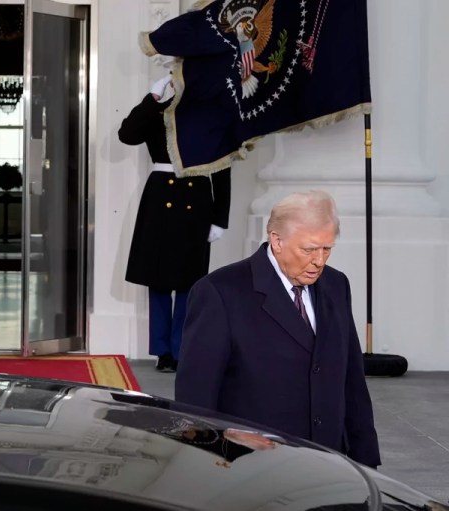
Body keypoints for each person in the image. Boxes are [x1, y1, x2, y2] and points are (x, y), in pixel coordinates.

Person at [175, 190, 381, 468]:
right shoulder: (219, 292)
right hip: (253, 467)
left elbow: (352, 380)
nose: (319, 261)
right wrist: (208, 457)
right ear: (277, 240)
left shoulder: (336, 285)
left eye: (327, 249)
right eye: (309, 249)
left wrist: (366, 463)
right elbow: (195, 395)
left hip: (329, 462)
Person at [118, 74, 231, 372]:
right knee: (157, 279)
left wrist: (220, 218)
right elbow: (127, 134)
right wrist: (152, 99)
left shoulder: (211, 117)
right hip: (160, 200)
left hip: (197, 200)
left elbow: (222, 170)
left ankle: (181, 349)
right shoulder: (158, 112)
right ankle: (162, 351)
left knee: (188, 281)